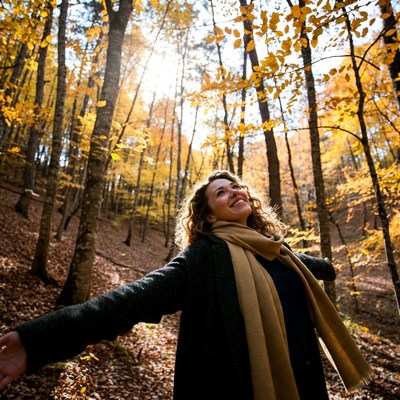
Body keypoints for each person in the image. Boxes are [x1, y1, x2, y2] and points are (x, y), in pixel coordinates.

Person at [0, 170, 372, 399]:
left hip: (303, 382)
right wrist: (36, 341)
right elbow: (132, 299)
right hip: (244, 390)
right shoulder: (206, 257)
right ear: (208, 217)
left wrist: (330, 268)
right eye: (221, 193)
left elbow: (302, 266)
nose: (235, 192)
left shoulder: (277, 252)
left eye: (236, 187)